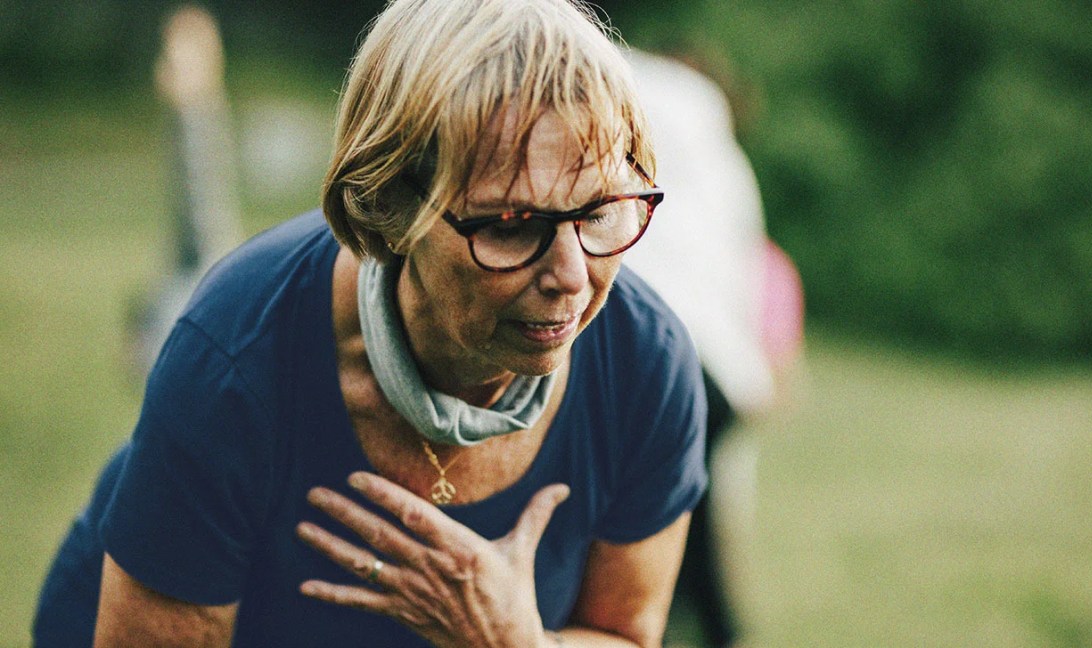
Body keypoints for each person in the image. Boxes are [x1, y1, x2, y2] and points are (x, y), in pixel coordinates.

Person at [32, 1, 708, 646]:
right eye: (511, 224)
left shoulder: (645, 365)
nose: (570, 274)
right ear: (388, 208)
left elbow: (624, 633)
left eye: (596, 213)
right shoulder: (235, 361)